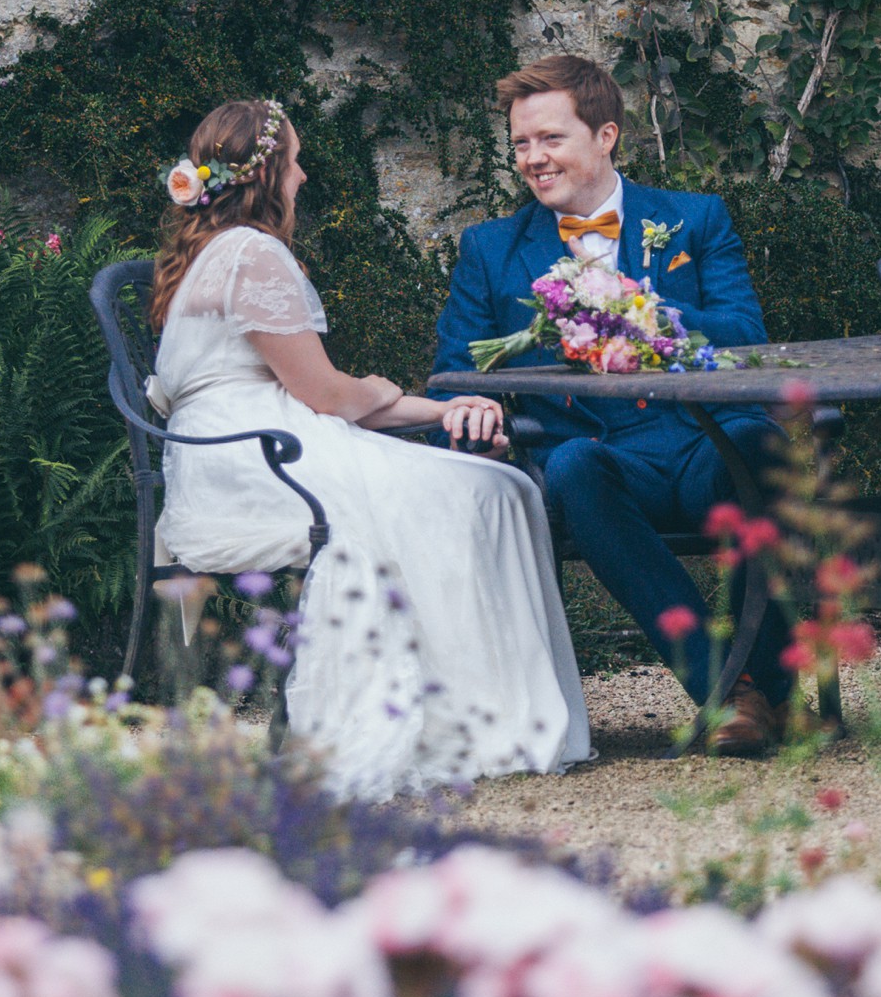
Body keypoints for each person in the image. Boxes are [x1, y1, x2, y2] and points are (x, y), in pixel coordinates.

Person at [148, 96, 592, 800]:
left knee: (489, 487)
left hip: (250, 449)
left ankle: (480, 709)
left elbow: (317, 399)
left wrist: (442, 408)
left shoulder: (215, 253)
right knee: (479, 489)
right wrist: (381, 387)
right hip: (262, 462)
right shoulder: (252, 255)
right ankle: (476, 719)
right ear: (265, 175)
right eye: (294, 163)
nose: (302, 177)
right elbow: (328, 397)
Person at [432, 53, 792, 757]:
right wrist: (475, 404)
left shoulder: (692, 220)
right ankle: (728, 693)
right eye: (521, 145)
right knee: (570, 468)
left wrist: (643, 311)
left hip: (703, 443)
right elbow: (451, 370)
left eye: (550, 139)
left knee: (762, 446)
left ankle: (775, 685)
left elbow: (746, 334)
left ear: (606, 136)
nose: (532, 159)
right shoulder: (490, 250)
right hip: (602, 461)